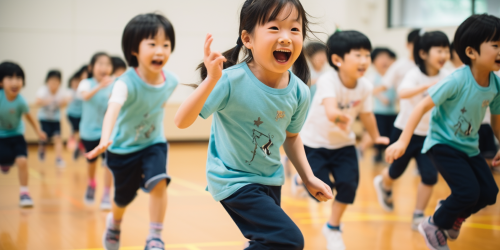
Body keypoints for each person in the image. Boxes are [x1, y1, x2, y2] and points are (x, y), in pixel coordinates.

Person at [174, 1, 334, 249]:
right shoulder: (230, 80)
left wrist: (308, 177)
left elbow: (291, 137)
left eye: (294, 29)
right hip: (234, 179)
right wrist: (211, 80)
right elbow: (181, 121)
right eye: (274, 28)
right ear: (247, 39)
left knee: (271, 243)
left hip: (270, 179)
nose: (286, 38)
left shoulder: (300, 92)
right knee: (289, 239)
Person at [385, 14, 500, 250]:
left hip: (470, 147)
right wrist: (403, 141)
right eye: (496, 45)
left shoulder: (495, 84)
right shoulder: (456, 79)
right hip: (443, 144)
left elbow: (497, 122)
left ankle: (451, 212)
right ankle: (434, 224)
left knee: (489, 193)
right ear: (471, 52)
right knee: (468, 192)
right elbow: (420, 106)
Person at [86, 13, 178, 250]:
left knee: (159, 182)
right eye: (152, 44)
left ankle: (155, 237)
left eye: (166, 45)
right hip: (122, 149)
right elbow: (112, 111)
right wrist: (105, 139)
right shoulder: (125, 82)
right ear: (134, 49)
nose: (160, 51)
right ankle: (115, 223)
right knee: (122, 198)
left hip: (153, 143)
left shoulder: (171, 81)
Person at [299, 30, 390, 249]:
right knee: (320, 192)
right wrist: (342, 117)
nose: (364, 61)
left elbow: (367, 114)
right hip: (315, 143)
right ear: (338, 60)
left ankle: (333, 227)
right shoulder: (328, 81)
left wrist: (376, 136)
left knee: (348, 187)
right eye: (357, 55)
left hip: (344, 145)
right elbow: (331, 111)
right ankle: (300, 179)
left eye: (367, 55)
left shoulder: (365, 86)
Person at [374, 31, 451, 231]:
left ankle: (418, 215)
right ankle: (384, 182)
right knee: (396, 171)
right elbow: (402, 92)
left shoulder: (447, 76)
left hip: (430, 135)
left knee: (430, 176)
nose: (444, 55)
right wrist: (427, 86)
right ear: (424, 53)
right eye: (439, 50)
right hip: (405, 132)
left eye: (446, 50)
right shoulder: (414, 73)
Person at [0, 61, 47, 207]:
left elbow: (29, 116)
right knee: (5, 159)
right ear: (1, 82)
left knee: (22, 161)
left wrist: (38, 131)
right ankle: (5, 162)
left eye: (19, 78)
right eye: (10, 78)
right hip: (1, 136)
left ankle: (24, 193)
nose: (15, 82)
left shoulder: (21, 101)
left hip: (17, 135)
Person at [77, 52, 114, 210]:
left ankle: (106, 194)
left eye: (107, 64)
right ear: (91, 67)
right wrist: (100, 86)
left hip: (106, 132)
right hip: (88, 132)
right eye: (100, 64)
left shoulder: (113, 84)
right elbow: (85, 97)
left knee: (108, 163)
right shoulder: (86, 83)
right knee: (91, 162)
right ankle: (91, 183)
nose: (104, 67)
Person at [360, 47, 397, 163]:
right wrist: (381, 97)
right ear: (374, 61)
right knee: (377, 132)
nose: (384, 61)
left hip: (392, 111)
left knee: (389, 134)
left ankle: (384, 155)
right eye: (381, 58)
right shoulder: (372, 77)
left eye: (387, 58)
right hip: (377, 111)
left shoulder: (393, 77)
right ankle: (371, 152)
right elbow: (369, 91)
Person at [36, 70, 69, 167]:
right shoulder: (43, 90)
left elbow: (64, 103)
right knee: (44, 137)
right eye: (52, 81)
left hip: (55, 119)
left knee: (58, 138)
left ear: (60, 82)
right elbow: (37, 101)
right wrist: (47, 101)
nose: (54, 84)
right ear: (47, 81)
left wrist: (62, 102)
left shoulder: (62, 92)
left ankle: (58, 158)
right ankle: (42, 149)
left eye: (56, 81)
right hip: (44, 118)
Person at [66, 66, 88, 160]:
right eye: (73, 82)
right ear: (70, 83)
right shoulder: (70, 92)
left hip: (81, 114)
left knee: (79, 131)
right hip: (71, 114)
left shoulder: (82, 91)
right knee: (76, 130)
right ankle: (75, 143)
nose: (75, 84)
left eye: (77, 82)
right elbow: (65, 99)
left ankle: (79, 146)